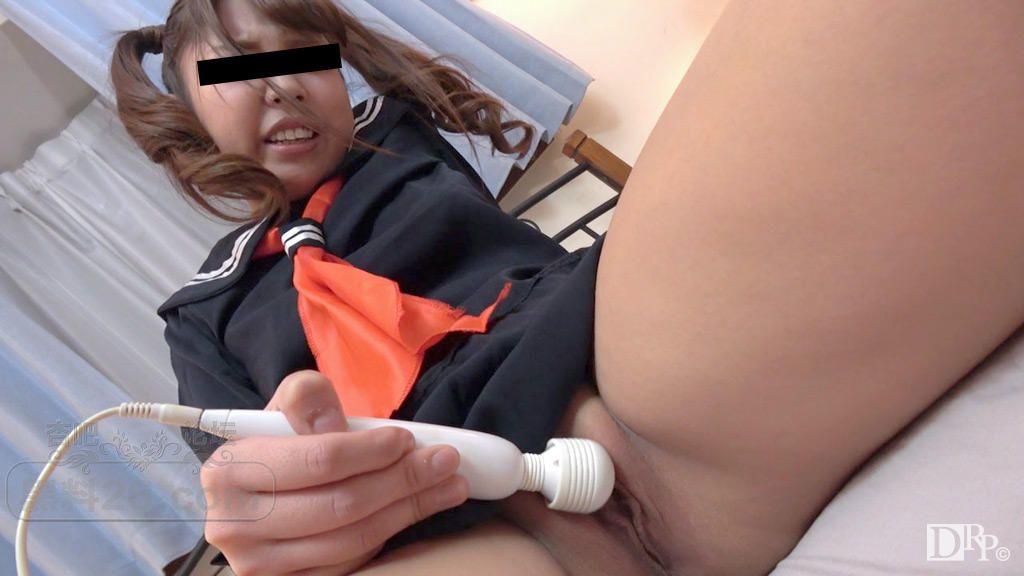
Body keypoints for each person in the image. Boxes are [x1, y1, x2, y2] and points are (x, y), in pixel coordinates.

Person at [109, 0, 1024, 574]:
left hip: (633, 387)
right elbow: (246, 475)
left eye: (300, 60)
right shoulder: (202, 312)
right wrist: (271, 514)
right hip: (468, 529)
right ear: (188, 115)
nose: (277, 88)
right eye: (233, 73)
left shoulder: (398, 144)